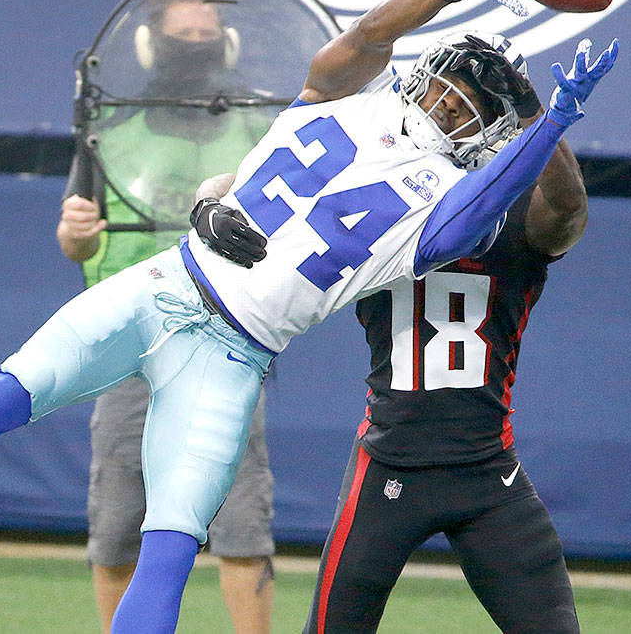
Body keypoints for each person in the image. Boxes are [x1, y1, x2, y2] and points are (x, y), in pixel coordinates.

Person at [0, 0, 618, 634]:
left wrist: (516, 70)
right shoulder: (385, 138)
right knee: (8, 393)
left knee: (167, 540)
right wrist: (495, 32)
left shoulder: (401, 158)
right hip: (172, 286)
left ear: (482, 132)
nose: (442, 97)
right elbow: (374, 45)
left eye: (461, 99)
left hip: (225, 349)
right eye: (445, 82)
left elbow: (465, 194)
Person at [197, 35, 590, 633]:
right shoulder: (381, 180)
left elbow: (566, 208)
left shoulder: (519, 214)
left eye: (478, 98)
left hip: (487, 472)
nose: (452, 106)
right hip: (388, 463)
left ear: (501, 123)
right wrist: (206, 202)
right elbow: (249, 183)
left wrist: (544, 113)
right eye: (445, 87)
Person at [58, 0, 276, 634]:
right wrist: (74, 234)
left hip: (227, 343)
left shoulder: (259, 133)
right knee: (120, 521)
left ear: (227, 42)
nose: (196, 43)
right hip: (129, 346)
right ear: (152, 44)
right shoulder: (109, 136)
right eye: (183, 33)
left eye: (204, 31)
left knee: (241, 523)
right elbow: (76, 236)